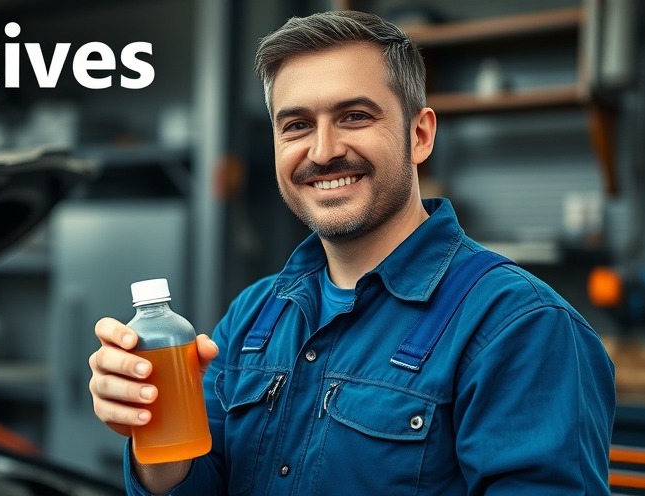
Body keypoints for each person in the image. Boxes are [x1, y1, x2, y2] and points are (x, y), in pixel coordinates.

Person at [88, 10, 616, 495]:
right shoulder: (251, 317)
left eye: (355, 116)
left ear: (420, 134)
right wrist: (151, 433)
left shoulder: (520, 327)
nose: (322, 151)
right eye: (296, 125)